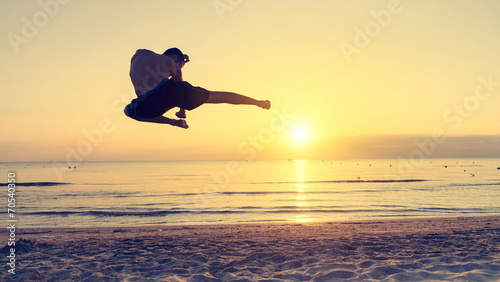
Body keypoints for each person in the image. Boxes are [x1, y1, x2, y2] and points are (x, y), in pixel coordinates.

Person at [124, 48, 271, 129]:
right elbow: (179, 87)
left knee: (129, 112)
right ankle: (259, 102)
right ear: (174, 59)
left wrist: (180, 58)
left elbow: (156, 62)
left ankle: (172, 123)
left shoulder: (140, 54)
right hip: (167, 91)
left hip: (146, 104)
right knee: (219, 97)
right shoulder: (171, 62)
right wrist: (182, 112)